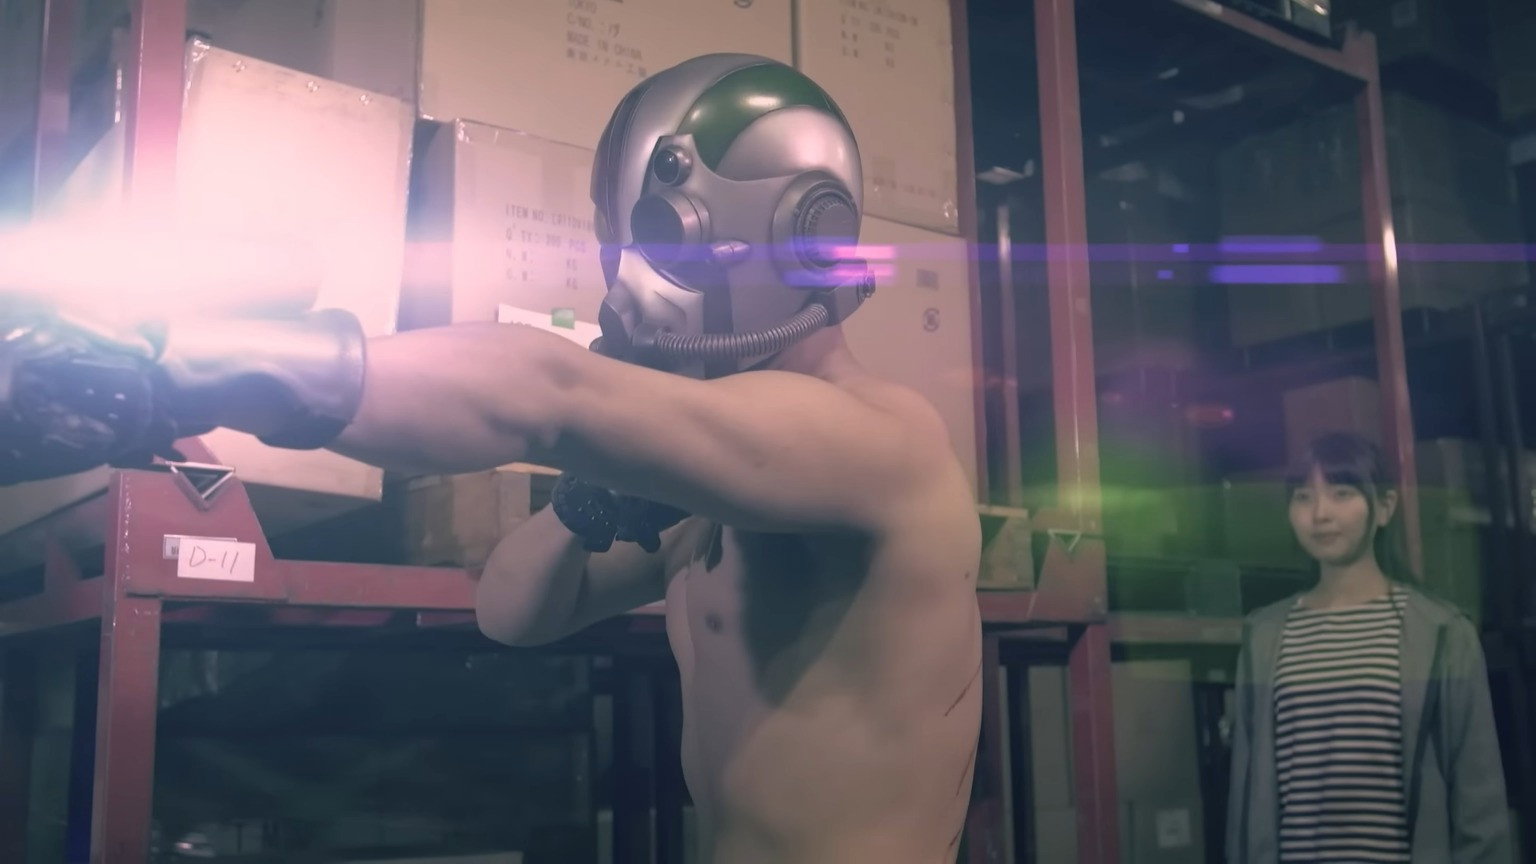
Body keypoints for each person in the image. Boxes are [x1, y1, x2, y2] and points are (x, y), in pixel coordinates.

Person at [0, 54, 984, 863]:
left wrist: (182, 376)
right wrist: (590, 504)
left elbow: (544, 391)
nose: (634, 283)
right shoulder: (727, 489)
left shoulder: (876, 448)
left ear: (802, 237)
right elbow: (513, 613)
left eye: (664, 239)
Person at [1226, 431, 1513, 863]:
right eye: (1303, 497)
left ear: (1384, 507)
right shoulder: (1265, 635)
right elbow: (1246, 798)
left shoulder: (1441, 633)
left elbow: (1479, 799)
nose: (1320, 513)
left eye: (1341, 493)